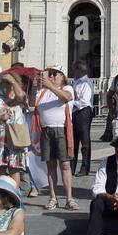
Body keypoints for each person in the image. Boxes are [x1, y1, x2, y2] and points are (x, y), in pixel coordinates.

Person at [33, 66, 76, 210]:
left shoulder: (67, 88)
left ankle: (69, 198)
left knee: (65, 164)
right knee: (50, 165)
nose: (51, 77)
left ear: (62, 76)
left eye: (54, 74)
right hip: (46, 130)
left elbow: (66, 98)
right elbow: (31, 104)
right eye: (49, 74)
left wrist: (50, 86)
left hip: (61, 129)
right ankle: (53, 197)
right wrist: (33, 88)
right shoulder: (42, 92)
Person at [70, 61, 96, 177]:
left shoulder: (86, 83)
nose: (72, 72)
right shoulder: (76, 82)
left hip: (84, 112)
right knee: (74, 140)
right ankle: (72, 167)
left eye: (74, 70)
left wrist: (71, 102)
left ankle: (85, 168)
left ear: (79, 70)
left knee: (84, 141)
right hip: (76, 112)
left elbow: (84, 101)